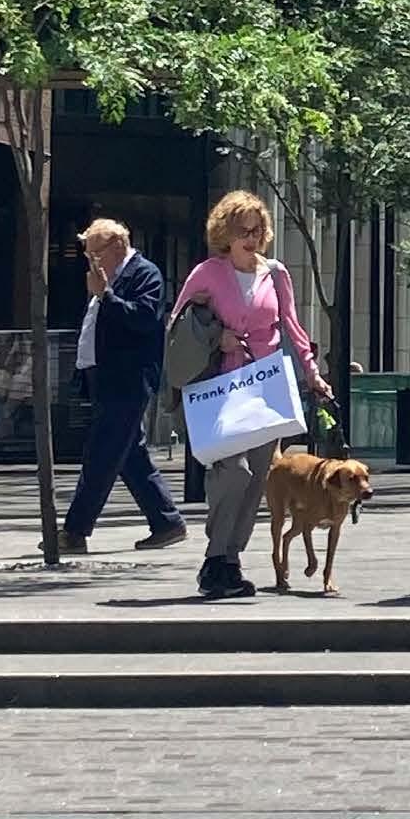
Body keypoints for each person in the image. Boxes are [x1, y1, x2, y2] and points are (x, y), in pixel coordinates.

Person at [170, 190, 332, 601]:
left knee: (258, 475)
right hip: (220, 389)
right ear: (224, 233)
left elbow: (293, 327)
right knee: (233, 472)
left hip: (264, 389)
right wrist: (216, 336)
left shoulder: (276, 274)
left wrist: (312, 373)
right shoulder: (208, 273)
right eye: (243, 231)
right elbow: (178, 325)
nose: (252, 238)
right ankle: (214, 558)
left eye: (258, 230)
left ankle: (231, 560)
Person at [55, 219, 185, 556]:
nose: (92, 261)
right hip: (104, 377)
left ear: (117, 245)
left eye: (95, 253)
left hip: (128, 379)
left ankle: (75, 530)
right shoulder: (107, 278)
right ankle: (166, 521)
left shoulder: (144, 274)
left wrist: (106, 296)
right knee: (129, 455)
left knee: (101, 453)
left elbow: (142, 318)